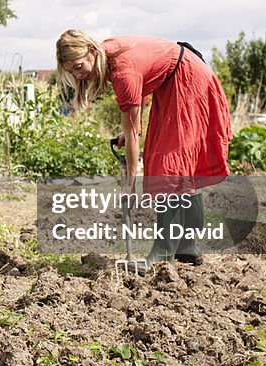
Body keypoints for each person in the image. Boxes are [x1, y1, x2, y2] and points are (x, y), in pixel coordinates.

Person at [55, 30, 232, 265]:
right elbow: (136, 108)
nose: (78, 75)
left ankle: (164, 251)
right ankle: (187, 247)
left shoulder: (121, 70)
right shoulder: (107, 56)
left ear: (90, 51)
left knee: (169, 165)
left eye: (78, 67)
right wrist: (129, 133)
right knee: (170, 163)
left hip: (187, 80)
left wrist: (129, 182)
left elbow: (132, 137)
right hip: (172, 82)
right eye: (71, 71)